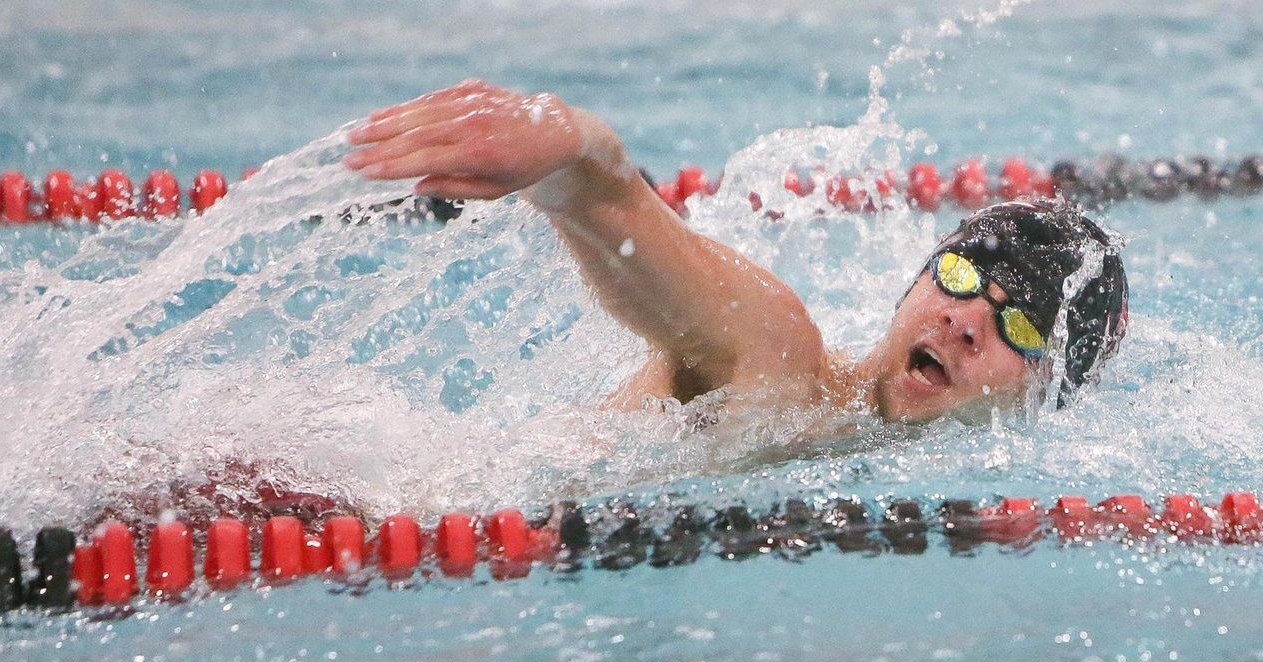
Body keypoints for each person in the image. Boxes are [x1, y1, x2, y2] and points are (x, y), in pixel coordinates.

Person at [343, 79, 1128, 425]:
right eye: (960, 277)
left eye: (1019, 324)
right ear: (913, 282)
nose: (964, 322)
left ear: (1047, 388)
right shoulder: (786, 362)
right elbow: (623, 215)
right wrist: (576, 156)